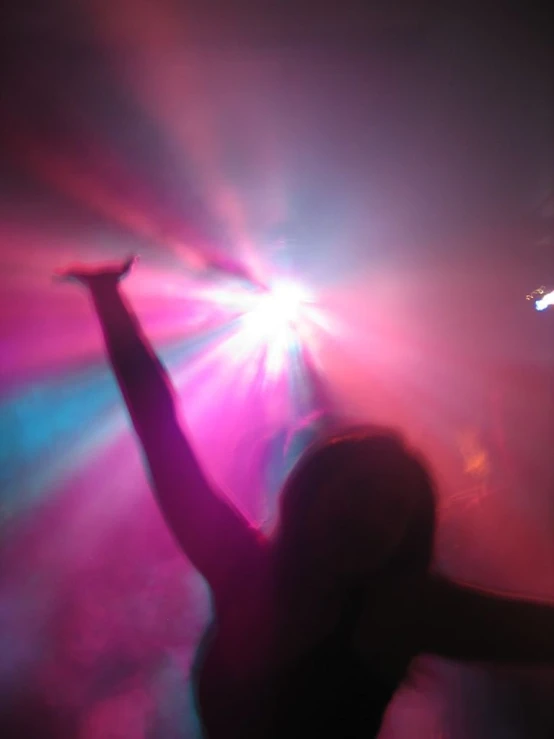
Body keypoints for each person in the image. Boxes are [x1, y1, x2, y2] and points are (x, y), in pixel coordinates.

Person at [57, 257, 554, 739]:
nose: (371, 520)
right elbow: (158, 429)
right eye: (360, 491)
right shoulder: (239, 564)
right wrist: (108, 300)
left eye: (396, 511)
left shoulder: (400, 608)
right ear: (315, 487)